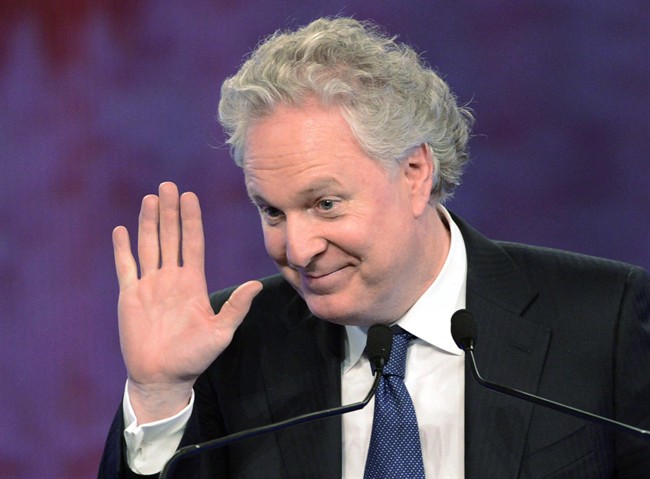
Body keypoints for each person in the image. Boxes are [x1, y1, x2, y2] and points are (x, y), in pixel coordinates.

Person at [99, 17, 650, 479]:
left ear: (414, 172)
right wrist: (158, 395)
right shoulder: (227, 346)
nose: (299, 249)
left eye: (325, 204)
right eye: (272, 212)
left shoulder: (607, 319)